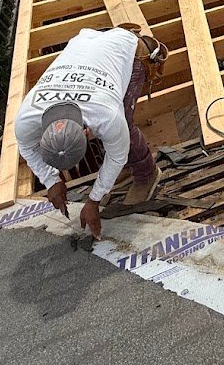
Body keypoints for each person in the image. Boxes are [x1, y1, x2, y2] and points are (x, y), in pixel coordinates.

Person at [13, 25, 165, 239]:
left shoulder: (105, 116)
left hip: (129, 50)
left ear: (86, 131)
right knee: (115, 137)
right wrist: (51, 182)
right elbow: (27, 148)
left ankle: (147, 174)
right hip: (87, 43)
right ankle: (125, 171)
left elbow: (116, 155)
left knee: (124, 128)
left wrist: (93, 201)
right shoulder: (26, 119)